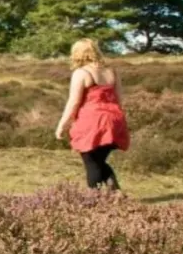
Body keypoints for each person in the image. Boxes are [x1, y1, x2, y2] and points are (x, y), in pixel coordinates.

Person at [55, 38, 129, 191]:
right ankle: (114, 192)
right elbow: (120, 99)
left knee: (91, 162)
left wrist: (62, 124)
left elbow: (73, 102)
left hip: (92, 120)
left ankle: (94, 199)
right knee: (99, 161)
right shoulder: (112, 71)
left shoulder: (81, 73)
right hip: (114, 119)